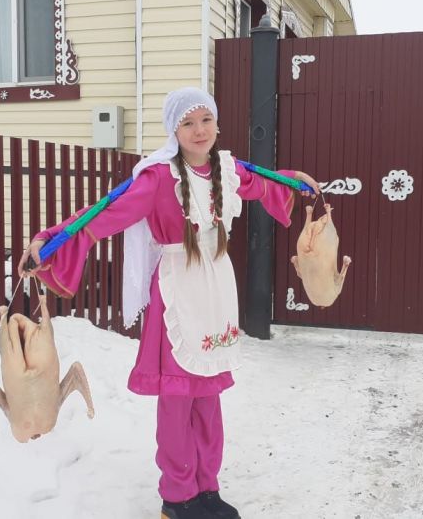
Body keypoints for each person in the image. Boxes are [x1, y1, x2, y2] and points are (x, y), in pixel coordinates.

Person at [18, 87, 319, 519]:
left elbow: (265, 183)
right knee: (179, 399)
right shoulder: (157, 179)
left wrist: (295, 181)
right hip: (178, 291)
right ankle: (178, 498)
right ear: (173, 131)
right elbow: (104, 212)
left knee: (208, 396)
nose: (199, 131)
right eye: (188, 123)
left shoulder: (228, 169)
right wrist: (50, 241)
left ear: (217, 124)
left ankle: (207, 489)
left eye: (206, 120)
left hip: (216, 290)